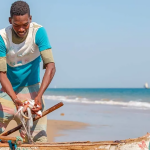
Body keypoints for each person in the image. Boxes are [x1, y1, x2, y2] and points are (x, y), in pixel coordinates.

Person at [0, 1, 56, 142]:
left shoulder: (38, 32)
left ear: (30, 19)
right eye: (16, 25)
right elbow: (1, 73)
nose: (21, 29)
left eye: (25, 24)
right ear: (10, 21)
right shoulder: (2, 38)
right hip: (8, 92)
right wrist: (15, 99)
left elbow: (50, 66)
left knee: (39, 141)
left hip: (33, 93)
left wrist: (39, 96)